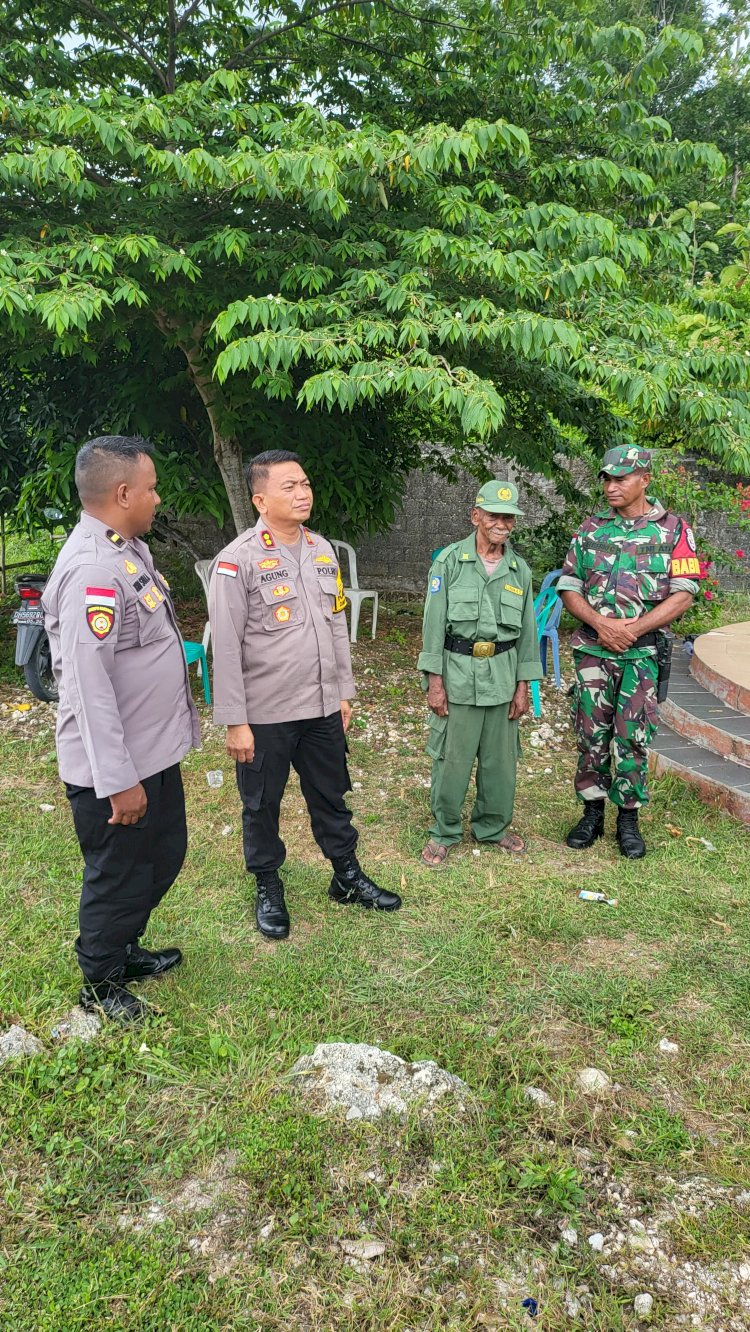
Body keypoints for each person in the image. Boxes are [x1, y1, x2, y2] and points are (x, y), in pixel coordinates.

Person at [209, 449, 401, 939]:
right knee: (261, 804)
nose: (302, 493)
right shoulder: (237, 561)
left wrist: (342, 692)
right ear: (259, 498)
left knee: (331, 795)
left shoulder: (321, 549)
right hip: (266, 713)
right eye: (288, 486)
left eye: (305, 483)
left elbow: (337, 624)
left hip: (320, 706)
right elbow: (226, 647)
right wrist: (235, 720)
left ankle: (347, 876)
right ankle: (268, 885)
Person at [42, 436, 201, 1022]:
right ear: (123, 492)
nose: (158, 498)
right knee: (118, 872)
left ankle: (124, 948)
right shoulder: (93, 572)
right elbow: (88, 687)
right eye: (152, 487)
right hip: (117, 768)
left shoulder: (127, 550)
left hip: (149, 752)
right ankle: (100, 978)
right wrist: (118, 781)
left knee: (162, 856)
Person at [558, 445, 699, 858]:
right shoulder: (590, 528)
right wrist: (602, 625)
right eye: (607, 478)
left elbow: (684, 592)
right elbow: (569, 586)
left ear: (645, 480)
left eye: (621, 478)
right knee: (590, 733)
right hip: (594, 653)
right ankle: (591, 813)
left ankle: (628, 820)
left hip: (641, 657)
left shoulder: (673, 529)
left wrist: (632, 629)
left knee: (632, 738)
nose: (611, 486)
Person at [418, 481, 543, 867]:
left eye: (508, 517)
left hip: (503, 678)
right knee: (452, 760)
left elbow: (527, 632)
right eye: (494, 515)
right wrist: (434, 682)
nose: (502, 523)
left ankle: (492, 827)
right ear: (476, 516)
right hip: (457, 675)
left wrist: (524, 687)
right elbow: (433, 625)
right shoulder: (450, 562)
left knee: (500, 762)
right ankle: (444, 831)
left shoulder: (519, 570)